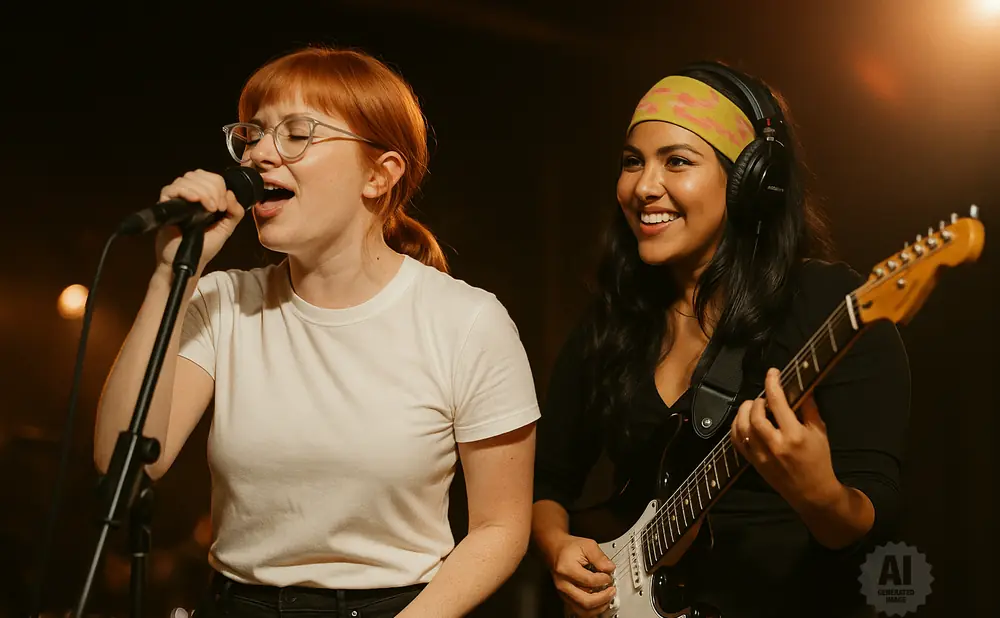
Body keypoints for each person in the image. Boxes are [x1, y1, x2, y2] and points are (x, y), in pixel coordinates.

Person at [94, 46, 540, 618]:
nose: (259, 156)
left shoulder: (467, 321)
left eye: (297, 134)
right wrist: (169, 276)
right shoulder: (223, 302)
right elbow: (124, 460)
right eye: (252, 135)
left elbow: (501, 527)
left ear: (379, 175)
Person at [531, 61, 911, 618]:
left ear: (750, 182)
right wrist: (558, 548)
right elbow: (547, 480)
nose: (644, 187)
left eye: (677, 162)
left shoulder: (830, 305)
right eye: (632, 162)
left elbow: (875, 523)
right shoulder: (612, 323)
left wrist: (819, 494)